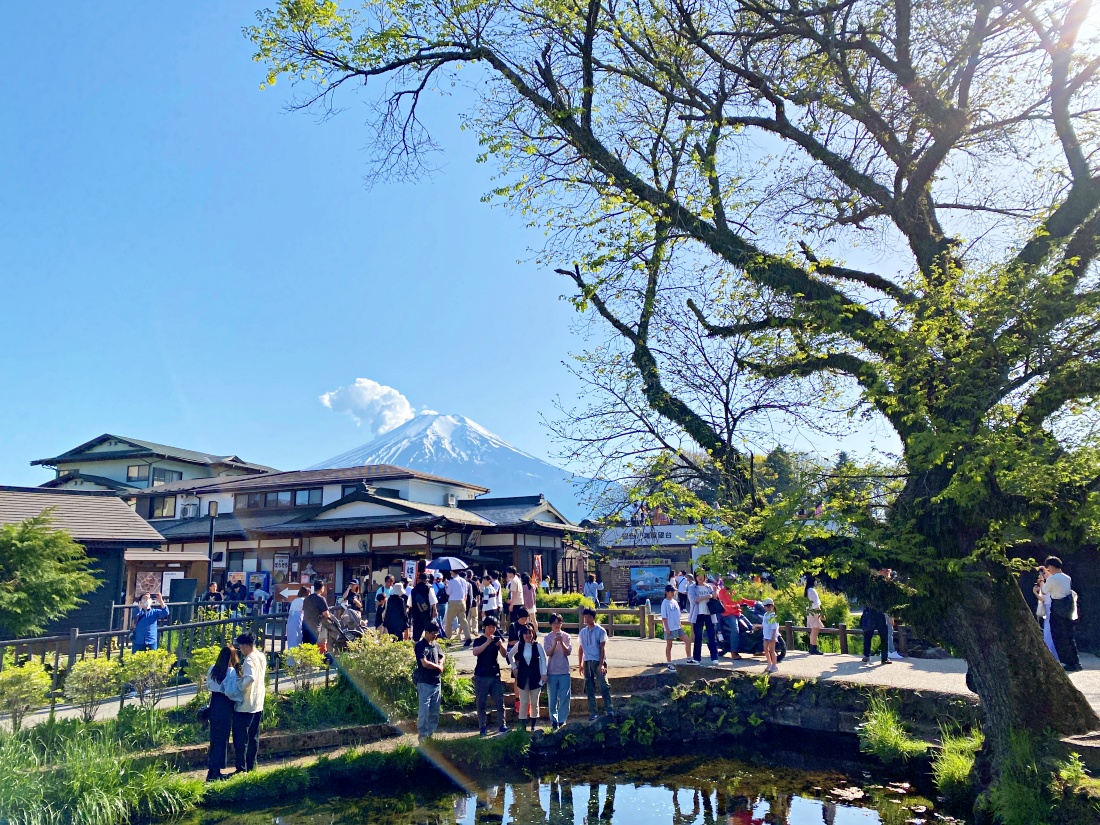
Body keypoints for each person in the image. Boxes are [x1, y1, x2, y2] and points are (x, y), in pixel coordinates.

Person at [205, 645, 242, 781]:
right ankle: (217, 772)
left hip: (214, 703)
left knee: (214, 738)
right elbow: (230, 691)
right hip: (225, 704)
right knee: (223, 738)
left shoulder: (212, 669)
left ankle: (212, 770)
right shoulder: (230, 671)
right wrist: (239, 698)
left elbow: (210, 685)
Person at [233, 632, 266, 773]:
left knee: (241, 739)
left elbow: (250, 678)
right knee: (253, 737)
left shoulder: (249, 659)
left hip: (246, 705)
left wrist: (238, 686)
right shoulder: (261, 656)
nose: (240, 650)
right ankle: (251, 766)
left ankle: (241, 768)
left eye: (240, 647)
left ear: (246, 646)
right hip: (258, 703)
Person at [471, 615, 509, 736]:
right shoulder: (479, 640)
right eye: (489, 627)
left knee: (500, 701)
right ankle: (482, 727)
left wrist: (501, 645)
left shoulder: (497, 639)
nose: (492, 629)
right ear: (485, 627)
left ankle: (502, 725)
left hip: (494, 675)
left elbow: (504, 655)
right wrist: (487, 642)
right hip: (481, 675)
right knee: (481, 703)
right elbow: (475, 652)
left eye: (494, 627)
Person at [1042, 556, 1081, 672]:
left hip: (1057, 607)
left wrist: (1046, 579)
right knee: (1069, 635)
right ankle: (1075, 662)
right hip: (1068, 607)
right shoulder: (1067, 577)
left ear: (1051, 566)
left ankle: (1067, 661)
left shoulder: (1052, 579)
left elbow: (1044, 590)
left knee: (1058, 635)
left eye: (1048, 568)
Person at [578, 608, 612, 720]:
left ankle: (609, 709)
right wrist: (580, 664)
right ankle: (593, 712)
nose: (587, 619)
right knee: (589, 688)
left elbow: (603, 649)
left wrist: (601, 664)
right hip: (587, 661)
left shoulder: (601, 631)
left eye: (589, 616)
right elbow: (581, 648)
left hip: (598, 660)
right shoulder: (583, 632)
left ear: (593, 617)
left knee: (604, 686)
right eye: (585, 617)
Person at [414, 620, 445, 743]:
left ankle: (430, 736)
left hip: (436, 683)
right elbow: (424, 663)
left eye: (437, 634)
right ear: (426, 632)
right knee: (424, 712)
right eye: (433, 633)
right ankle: (422, 736)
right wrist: (438, 667)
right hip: (424, 682)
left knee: (434, 712)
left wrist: (441, 663)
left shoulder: (436, 645)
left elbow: (442, 656)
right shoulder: (420, 645)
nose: (435, 636)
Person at [513, 624, 548, 732]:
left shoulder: (537, 645)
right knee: (523, 702)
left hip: (535, 677)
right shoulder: (519, 645)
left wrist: (544, 673)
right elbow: (509, 655)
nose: (528, 635)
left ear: (533, 634)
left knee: (534, 702)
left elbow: (543, 659)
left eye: (530, 633)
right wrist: (514, 667)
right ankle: (522, 727)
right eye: (526, 633)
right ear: (522, 635)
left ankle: (533, 725)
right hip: (523, 678)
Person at [543, 613, 572, 729]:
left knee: (564, 697)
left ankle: (562, 719)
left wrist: (562, 642)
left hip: (564, 670)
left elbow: (568, 652)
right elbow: (548, 653)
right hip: (552, 671)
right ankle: (554, 720)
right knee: (552, 697)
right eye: (554, 623)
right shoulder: (547, 637)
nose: (557, 625)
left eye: (559, 623)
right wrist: (555, 642)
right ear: (551, 624)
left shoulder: (567, 636)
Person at [687, 570, 718, 665]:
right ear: (695, 577)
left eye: (702, 575)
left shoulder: (709, 586)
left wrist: (715, 592)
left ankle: (714, 658)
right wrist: (706, 596)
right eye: (698, 575)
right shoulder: (692, 587)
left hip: (709, 614)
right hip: (698, 615)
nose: (700, 577)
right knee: (698, 637)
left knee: (712, 636)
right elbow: (693, 600)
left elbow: (714, 599)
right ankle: (697, 659)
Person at [661, 585, 691, 671]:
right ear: (667, 592)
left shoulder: (674, 602)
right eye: (671, 592)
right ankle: (669, 663)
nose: (673, 593)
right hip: (669, 627)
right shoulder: (665, 603)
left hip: (677, 627)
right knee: (669, 645)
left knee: (687, 640)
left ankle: (689, 658)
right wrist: (666, 629)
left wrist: (680, 624)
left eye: (674, 591)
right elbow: (664, 617)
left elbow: (678, 615)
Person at [714, 579, 744, 660]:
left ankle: (756, 649)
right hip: (728, 615)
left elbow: (741, 600)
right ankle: (733, 652)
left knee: (751, 627)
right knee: (735, 629)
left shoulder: (734, 592)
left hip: (737, 613)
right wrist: (734, 607)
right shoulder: (722, 592)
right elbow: (724, 605)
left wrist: (753, 603)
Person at [443, 571, 473, 645]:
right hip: (462, 601)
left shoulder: (451, 581)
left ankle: (447, 639)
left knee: (449, 621)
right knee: (463, 620)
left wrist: (446, 586)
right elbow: (465, 592)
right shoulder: (463, 581)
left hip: (453, 602)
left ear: (453, 572)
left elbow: (448, 592)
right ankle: (468, 637)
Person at [302, 580, 332, 649]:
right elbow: (326, 614)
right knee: (312, 646)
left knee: (305, 647)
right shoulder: (321, 599)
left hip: (305, 625)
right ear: (321, 588)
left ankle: (304, 659)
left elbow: (304, 611)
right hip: (314, 626)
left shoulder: (307, 598)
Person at [409, 572, 439, 641]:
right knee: (428, 628)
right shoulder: (429, 588)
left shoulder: (414, 589)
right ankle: (427, 643)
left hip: (416, 613)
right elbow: (433, 601)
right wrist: (435, 610)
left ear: (419, 579)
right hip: (427, 613)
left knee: (416, 630)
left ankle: (415, 644)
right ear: (427, 580)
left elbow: (410, 603)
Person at [805, 575, 824, 655]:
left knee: (814, 630)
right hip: (814, 611)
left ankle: (812, 647)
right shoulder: (812, 590)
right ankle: (813, 647)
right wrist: (821, 613)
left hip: (809, 611)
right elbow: (816, 604)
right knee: (815, 630)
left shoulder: (807, 590)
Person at [760, 598, 779, 674]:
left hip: (771, 636)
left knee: (772, 651)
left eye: (765, 606)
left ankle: (774, 665)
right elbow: (764, 625)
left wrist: (773, 637)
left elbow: (774, 627)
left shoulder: (773, 616)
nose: (764, 607)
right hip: (766, 635)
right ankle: (769, 663)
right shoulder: (765, 614)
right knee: (765, 650)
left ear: (770, 606)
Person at [465, 570, 482, 637]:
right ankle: (475, 630)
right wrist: (478, 601)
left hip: (466, 603)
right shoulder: (474, 583)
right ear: (471, 575)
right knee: (475, 617)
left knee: (467, 618)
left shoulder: (464, 583)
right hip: (473, 602)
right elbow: (478, 593)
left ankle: (468, 632)